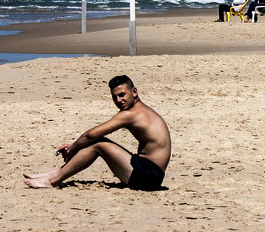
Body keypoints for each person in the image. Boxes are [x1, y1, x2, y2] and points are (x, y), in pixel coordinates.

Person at [24, 75, 171, 190]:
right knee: (97, 142)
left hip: (148, 177)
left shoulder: (130, 114)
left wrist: (72, 148)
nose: (118, 100)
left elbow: (91, 134)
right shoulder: (141, 110)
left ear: (134, 91)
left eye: (122, 95)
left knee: (98, 144)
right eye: (114, 97)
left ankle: (53, 179)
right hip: (149, 171)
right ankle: (52, 174)